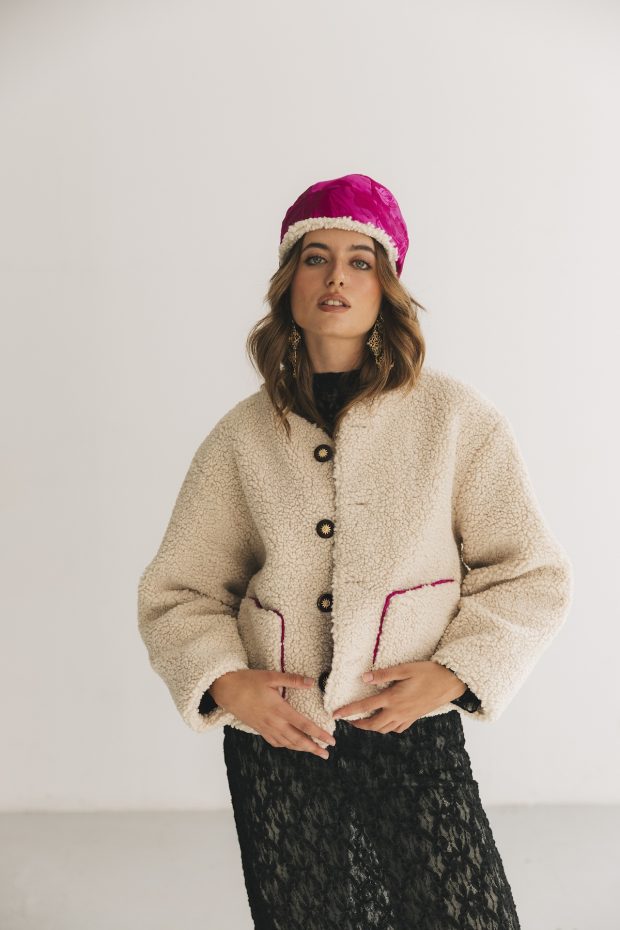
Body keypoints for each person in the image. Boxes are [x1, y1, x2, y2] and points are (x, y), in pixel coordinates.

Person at [137, 173, 573, 929]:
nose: (335, 276)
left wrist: (455, 674)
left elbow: (530, 574)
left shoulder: (454, 419)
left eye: (359, 260)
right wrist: (226, 683)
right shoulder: (242, 437)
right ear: (290, 285)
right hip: (282, 743)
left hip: (408, 729)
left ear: (385, 288)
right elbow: (180, 591)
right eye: (315, 258)